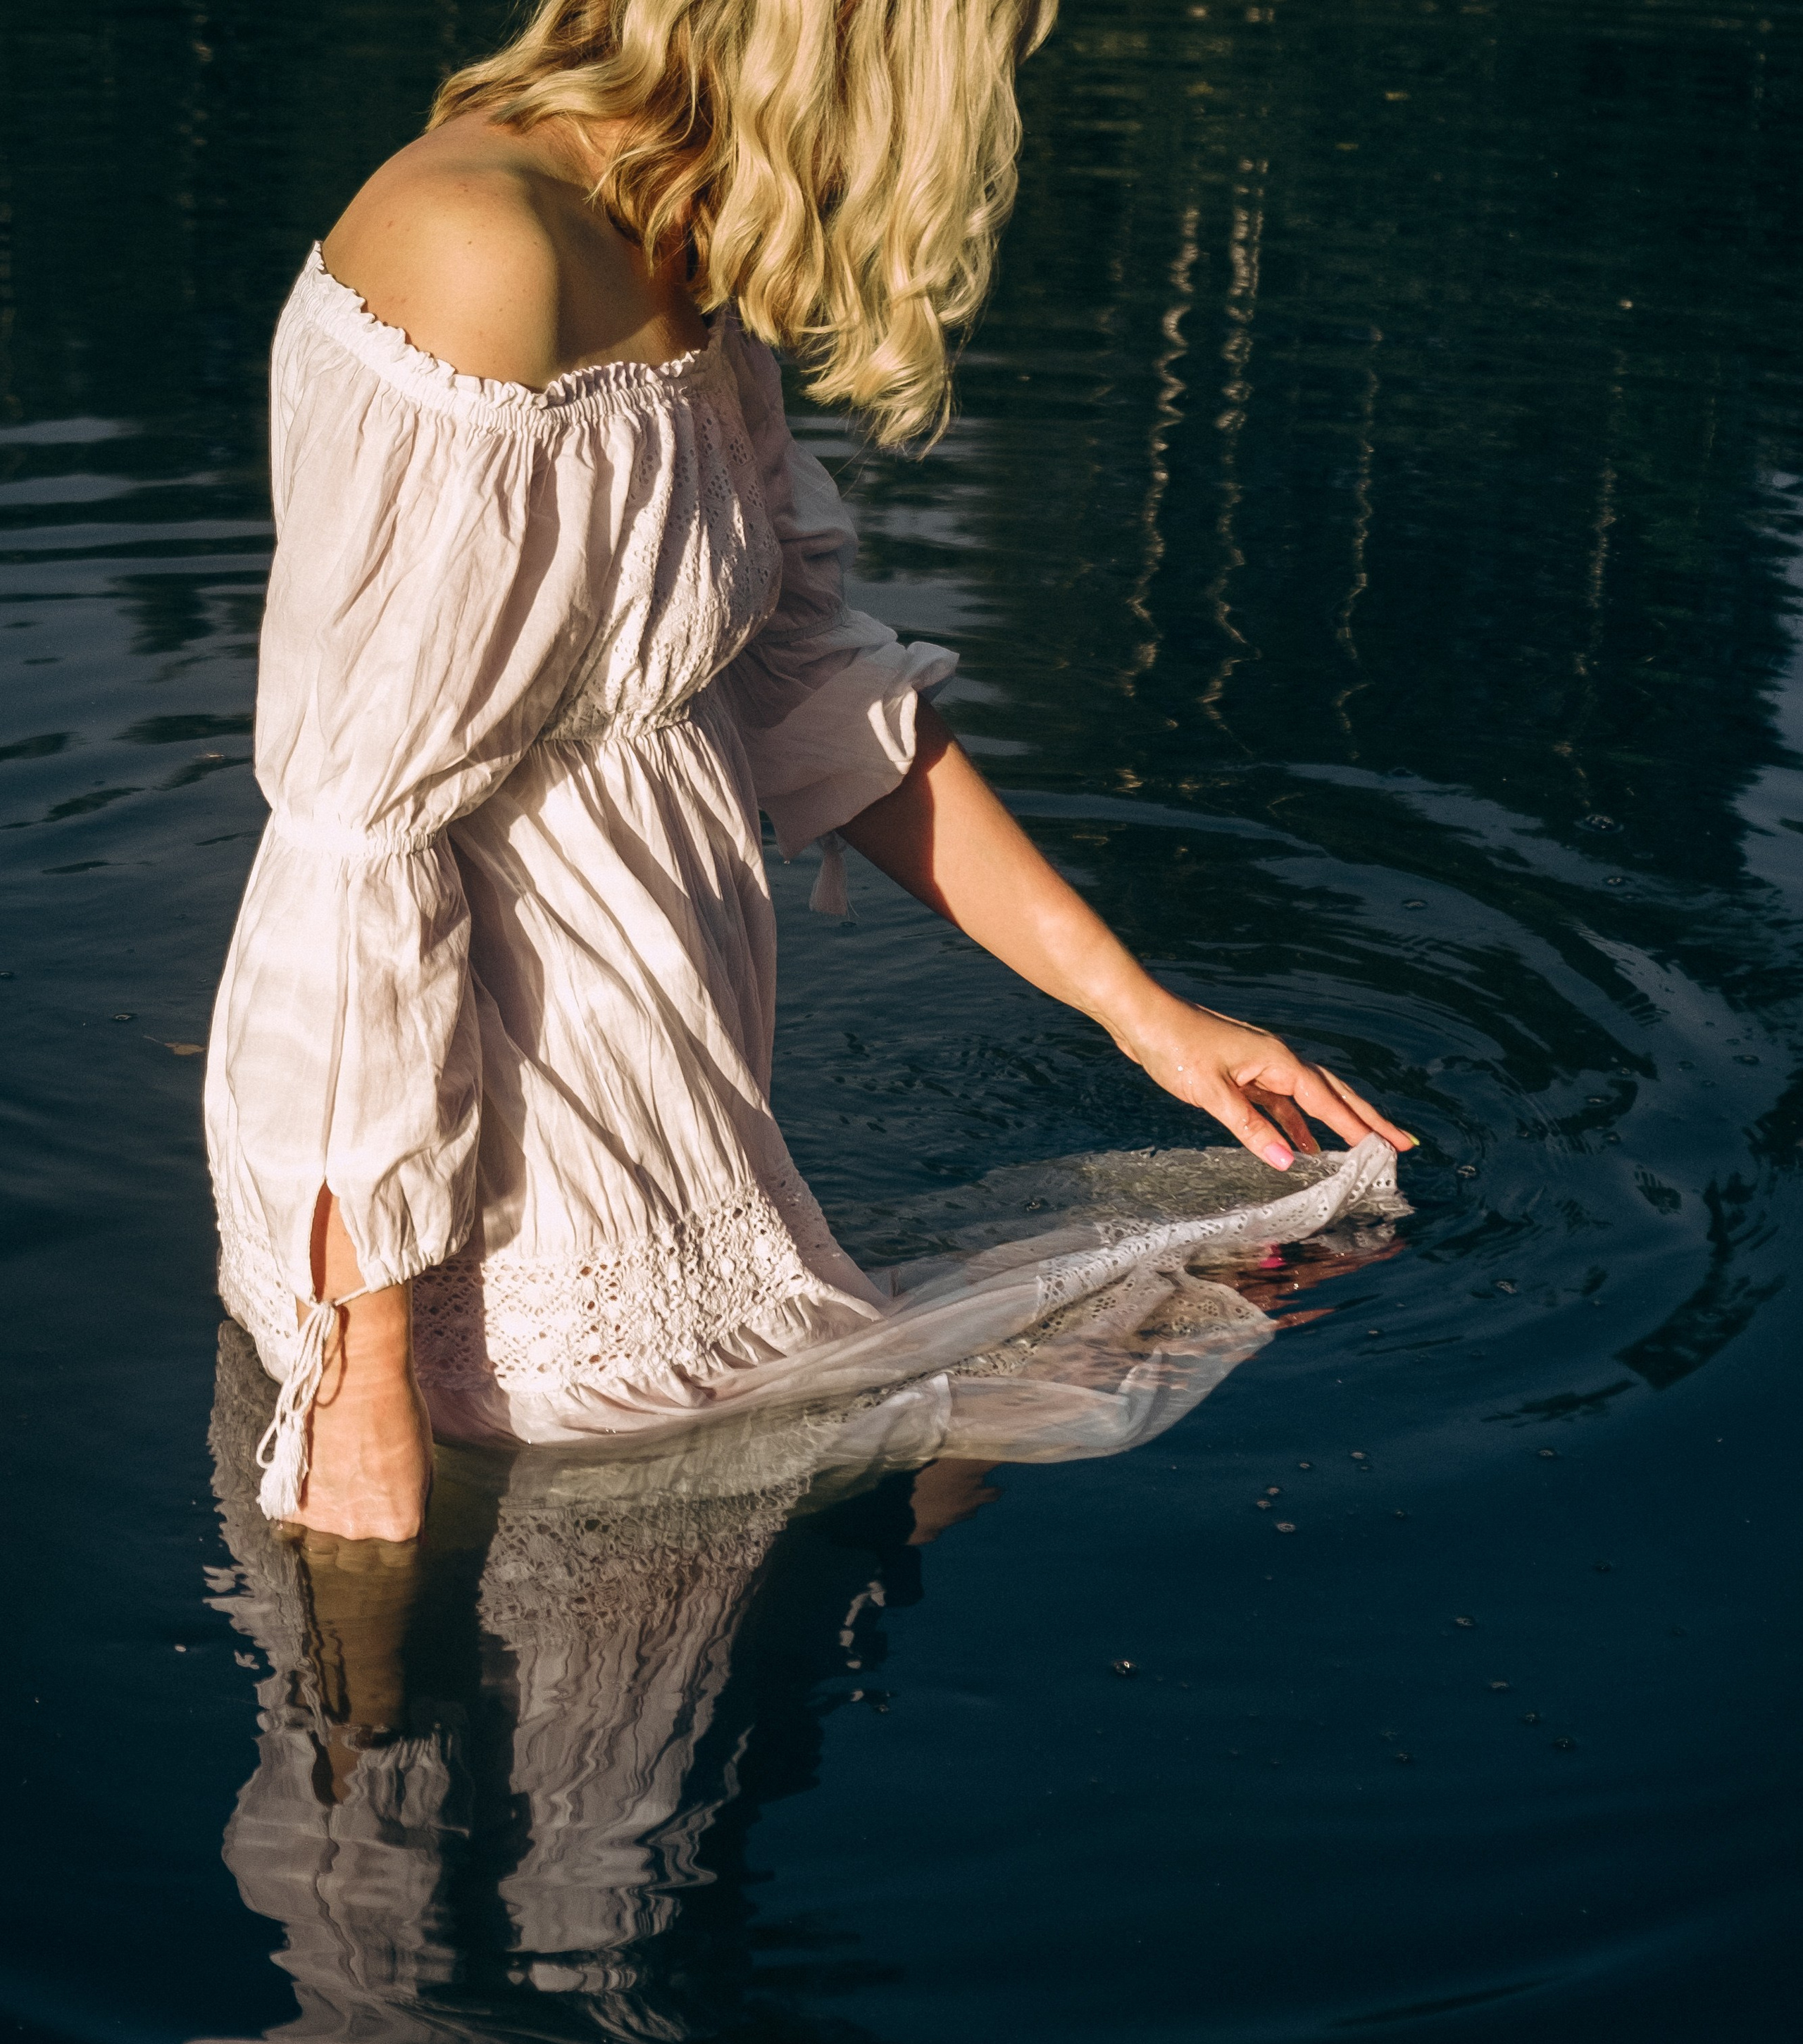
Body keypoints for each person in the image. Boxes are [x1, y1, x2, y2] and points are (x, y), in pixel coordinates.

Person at [204, 0, 1411, 1545]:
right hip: (485, 1162)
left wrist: (1148, 1017)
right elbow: (351, 836)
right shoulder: (483, 246)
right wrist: (362, 1368)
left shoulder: (667, 238)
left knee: (821, 1526)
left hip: (664, 1104)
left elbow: (804, 681)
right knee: (761, 1539)